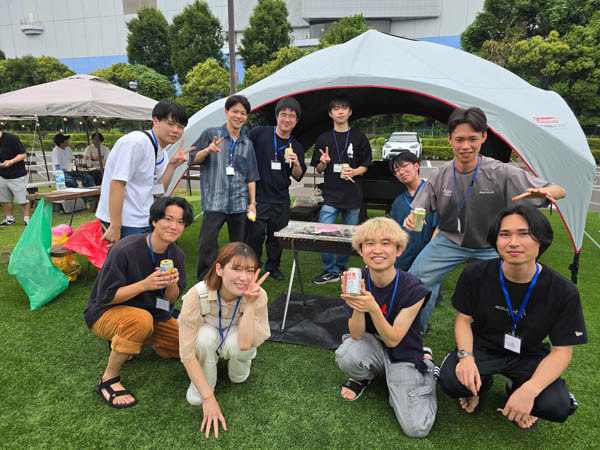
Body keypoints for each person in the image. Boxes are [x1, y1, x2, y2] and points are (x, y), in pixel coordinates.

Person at [404, 106, 566, 333]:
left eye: (472, 139)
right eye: (459, 139)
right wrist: (412, 217)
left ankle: (499, 338)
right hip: (449, 240)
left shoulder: (500, 172)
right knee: (416, 279)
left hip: (492, 244)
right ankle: (414, 333)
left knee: (508, 287)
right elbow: (420, 207)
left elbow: (559, 190)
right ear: (449, 139)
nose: (466, 146)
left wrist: (547, 192)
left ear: (483, 137)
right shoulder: (440, 175)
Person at [438, 205, 586, 430]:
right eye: (505, 234)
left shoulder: (563, 291)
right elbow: (463, 320)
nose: (513, 242)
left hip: (529, 352)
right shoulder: (475, 274)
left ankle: (516, 387)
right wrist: (466, 357)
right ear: (496, 241)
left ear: (541, 240)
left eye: (524, 234)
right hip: (483, 345)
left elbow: (562, 351)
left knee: (556, 406)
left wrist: (530, 390)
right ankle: (481, 385)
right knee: (451, 381)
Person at [84, 196, 194, 408]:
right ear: (154, 221)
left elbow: (169, 301)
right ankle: (108, 380)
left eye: (180, 222)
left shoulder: (176, 255)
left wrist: (171, 285)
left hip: (153, 313)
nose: (174, 226)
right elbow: (105, 297)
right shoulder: (125, 249)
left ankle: (132, 340)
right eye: (168, 219)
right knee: (140, 320)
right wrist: (144, 285)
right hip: (106, 311)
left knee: (188, 347)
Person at [335, 217, 437, 438]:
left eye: (386, 243)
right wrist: (358, 304)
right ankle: (364, 376)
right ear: (361, 250)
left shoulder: (414, 288)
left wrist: (373, 308)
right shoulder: (358, 279)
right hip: (372, 346)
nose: (377, 250)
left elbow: (393, 340)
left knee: (417, 428)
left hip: (403, 352)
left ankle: (426, 365)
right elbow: (356, 334)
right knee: (347, 354)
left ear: (398, 250)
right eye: (369, 243)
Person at [179, 242, 270, 438]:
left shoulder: (258, 295)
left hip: (238, 333)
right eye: (236, 269)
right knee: (203, 338)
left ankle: (239, 368)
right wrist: (208, 398)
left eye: (250, 270)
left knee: (238, 359)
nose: (244, 278)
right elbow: (186, 353)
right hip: (209, 329)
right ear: (219, 269)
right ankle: (206, 381)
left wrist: (251, 304)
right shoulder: (197, 295)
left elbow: (245, 343)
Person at [96, 100, 190, 244]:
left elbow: (158, 192)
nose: (176, 130)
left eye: (180, 126)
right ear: (155, 121)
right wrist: (115, 226)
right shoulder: (136, 142)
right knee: (126, 258)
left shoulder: (162, 153)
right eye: (171, 124)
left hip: (144, 219)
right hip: (124, 222)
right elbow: (117, 183)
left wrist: (172, 166)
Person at [188, 95, 259, 281]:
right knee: (207, 243)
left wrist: (252, 203)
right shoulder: (211, 134)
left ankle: (234, 278)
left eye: (243, 113)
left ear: (246, 117)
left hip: (239, 203)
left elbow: (251, 176)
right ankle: (205, 280)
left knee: (238, 246)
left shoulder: (247, 144)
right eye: (235, 111)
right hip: (214, 201)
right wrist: (207, 150)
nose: (239, 116)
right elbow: (192, 159)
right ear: (226, 112)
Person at [310, 95, 372, 284]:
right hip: (331, 195)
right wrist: (323, 162)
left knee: (348, 235)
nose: (340, 112)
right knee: (324, 232)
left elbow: (366, 165)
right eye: (336, 109)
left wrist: (355, 171)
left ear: (350, 112)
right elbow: (318, 169)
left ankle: (341, 267)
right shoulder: (323, 138)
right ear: (330, 113)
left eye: (344, 108)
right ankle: (329, 269)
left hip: (352, 195)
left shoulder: (359, 137)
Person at [245, 96, 306, 281]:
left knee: (276, 237)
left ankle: (273, 267)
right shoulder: (259, 133)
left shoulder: (296, 145)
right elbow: (244, 153)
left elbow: (298, 175)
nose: (287, 119)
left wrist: (296, 163)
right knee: (254, 236)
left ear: (296, 120)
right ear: (277, 116)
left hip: (281, 198)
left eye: (292, 116)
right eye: (283, 114)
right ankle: (252, 267)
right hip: (258, 197)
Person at [389, 151, 438, 271]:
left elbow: (441, 227)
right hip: (404, 257)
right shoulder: (399, 202)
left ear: (416, 166)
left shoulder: (434, 194)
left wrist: (431, 253)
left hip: (428, 255)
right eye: (396, 170)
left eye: (404, 166)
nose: (401, 172)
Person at [0, 130, 30, 226]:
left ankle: (27, 219)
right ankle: (9, 219)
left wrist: (11, 161)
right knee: (5, 199)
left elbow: (23, 154)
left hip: (17, 175)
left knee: (22, 199)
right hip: (2, 175)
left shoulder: (12, 138)